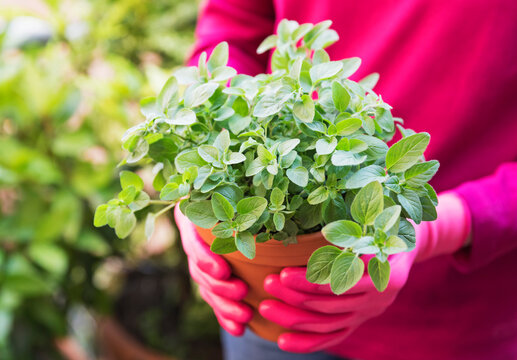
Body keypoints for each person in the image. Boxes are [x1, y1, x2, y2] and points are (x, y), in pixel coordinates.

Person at [174, 1, 517, 359]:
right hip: (263, 307)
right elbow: (234, 28)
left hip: (455, 326)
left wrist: (433, 230)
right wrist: (201, 185)